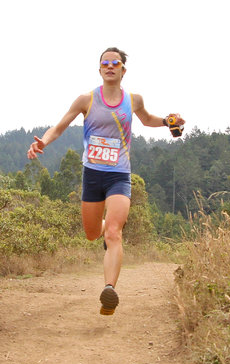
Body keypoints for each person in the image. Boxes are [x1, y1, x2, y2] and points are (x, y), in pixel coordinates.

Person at [27, 47, 184, 315]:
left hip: (119, 175)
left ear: (123, 70)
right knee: (92, 233)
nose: (110, 66)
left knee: (114, 232)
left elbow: (147, 120)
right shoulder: (85, 100)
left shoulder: (133, 100)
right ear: (99, 69)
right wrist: (44, 141)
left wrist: (169, 121)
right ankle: (102, 230)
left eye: (116, 63)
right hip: (92, 175)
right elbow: (60, 126)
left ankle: (109, 289)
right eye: (105, 63)